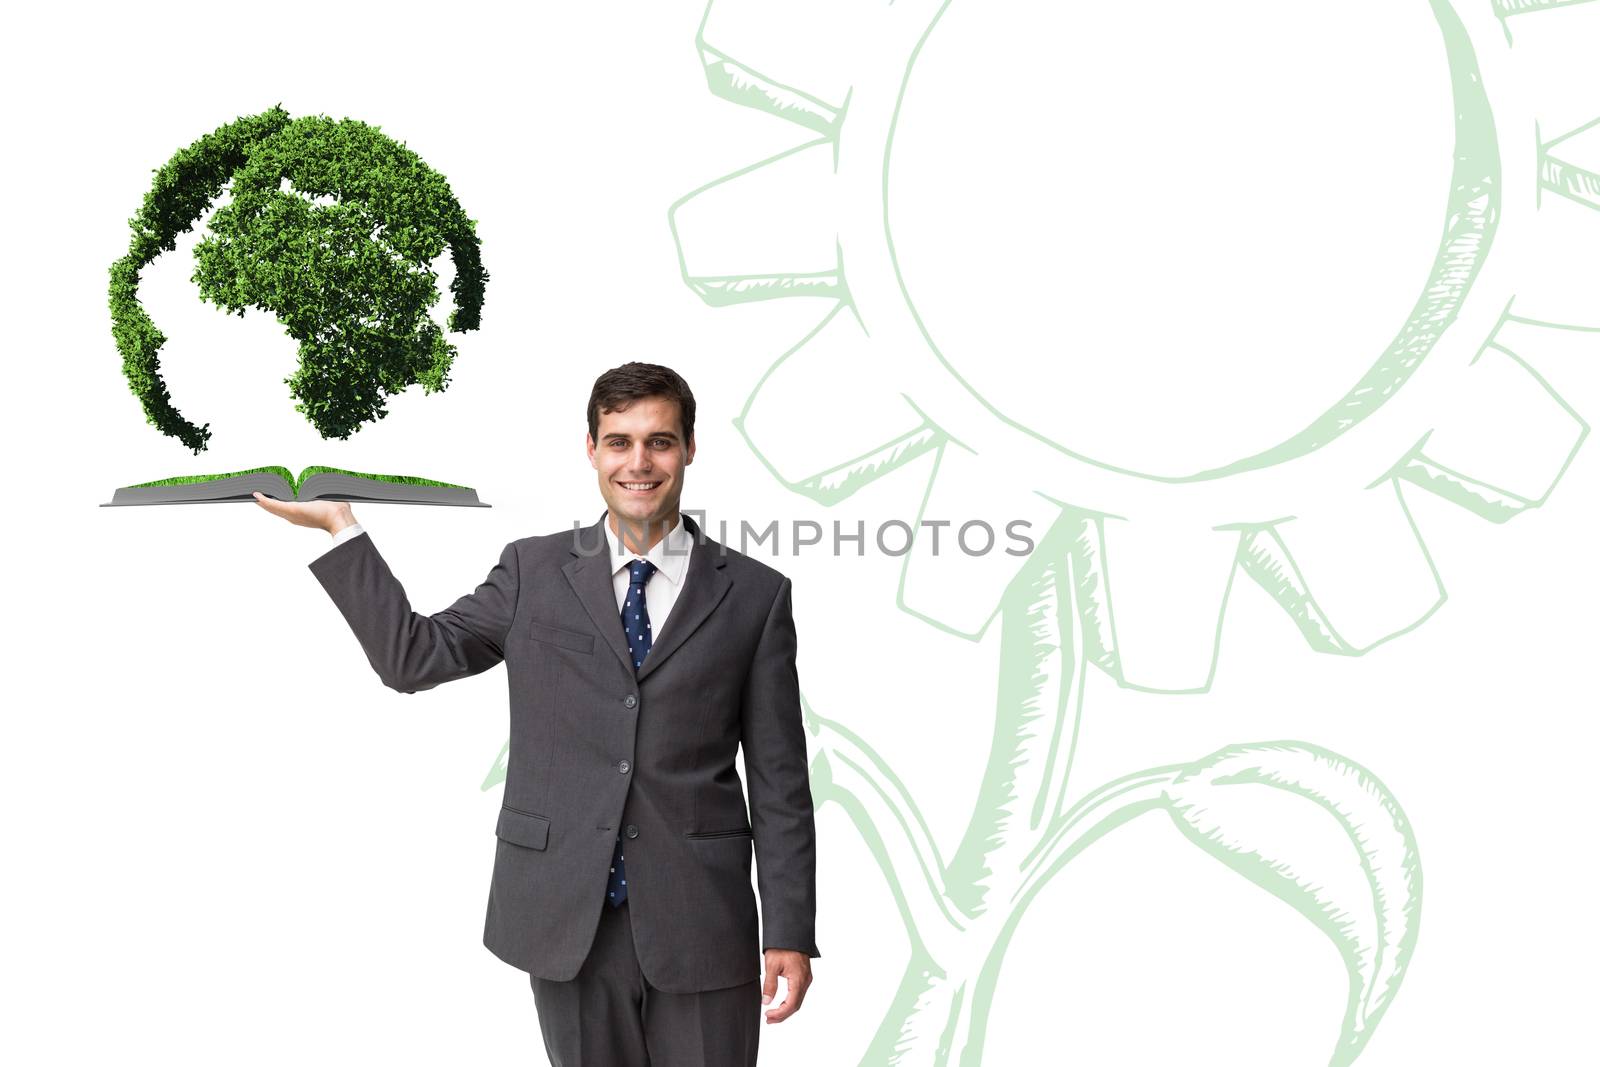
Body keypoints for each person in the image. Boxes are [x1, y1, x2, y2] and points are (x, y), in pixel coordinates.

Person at [253, 362, 818, 1066]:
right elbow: (412, 658)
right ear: (591, 450)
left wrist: (789, 927)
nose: (638, 462)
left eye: (659, 441)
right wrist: (341, 528)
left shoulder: (756, 596)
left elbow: (779, 780)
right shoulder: (532, 571)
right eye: (618, 441)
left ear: (690, 448)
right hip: (566, 916)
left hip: (701, 917)